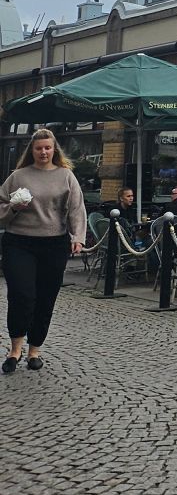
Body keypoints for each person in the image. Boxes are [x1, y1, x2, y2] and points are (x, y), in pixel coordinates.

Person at [0, 127, 87, 373]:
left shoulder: (66, 176)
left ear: (54, 150)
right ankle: (15, 349)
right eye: (39, 148)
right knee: (22, 295)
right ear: (33, 150)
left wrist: (77, 236)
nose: (43, 152)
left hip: (53, 244)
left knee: (45, 298)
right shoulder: (18, 176)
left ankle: (34, 350)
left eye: (48, 148)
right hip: (19, 242)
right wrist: (14, 208)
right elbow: (1, 206)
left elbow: (76, 208)